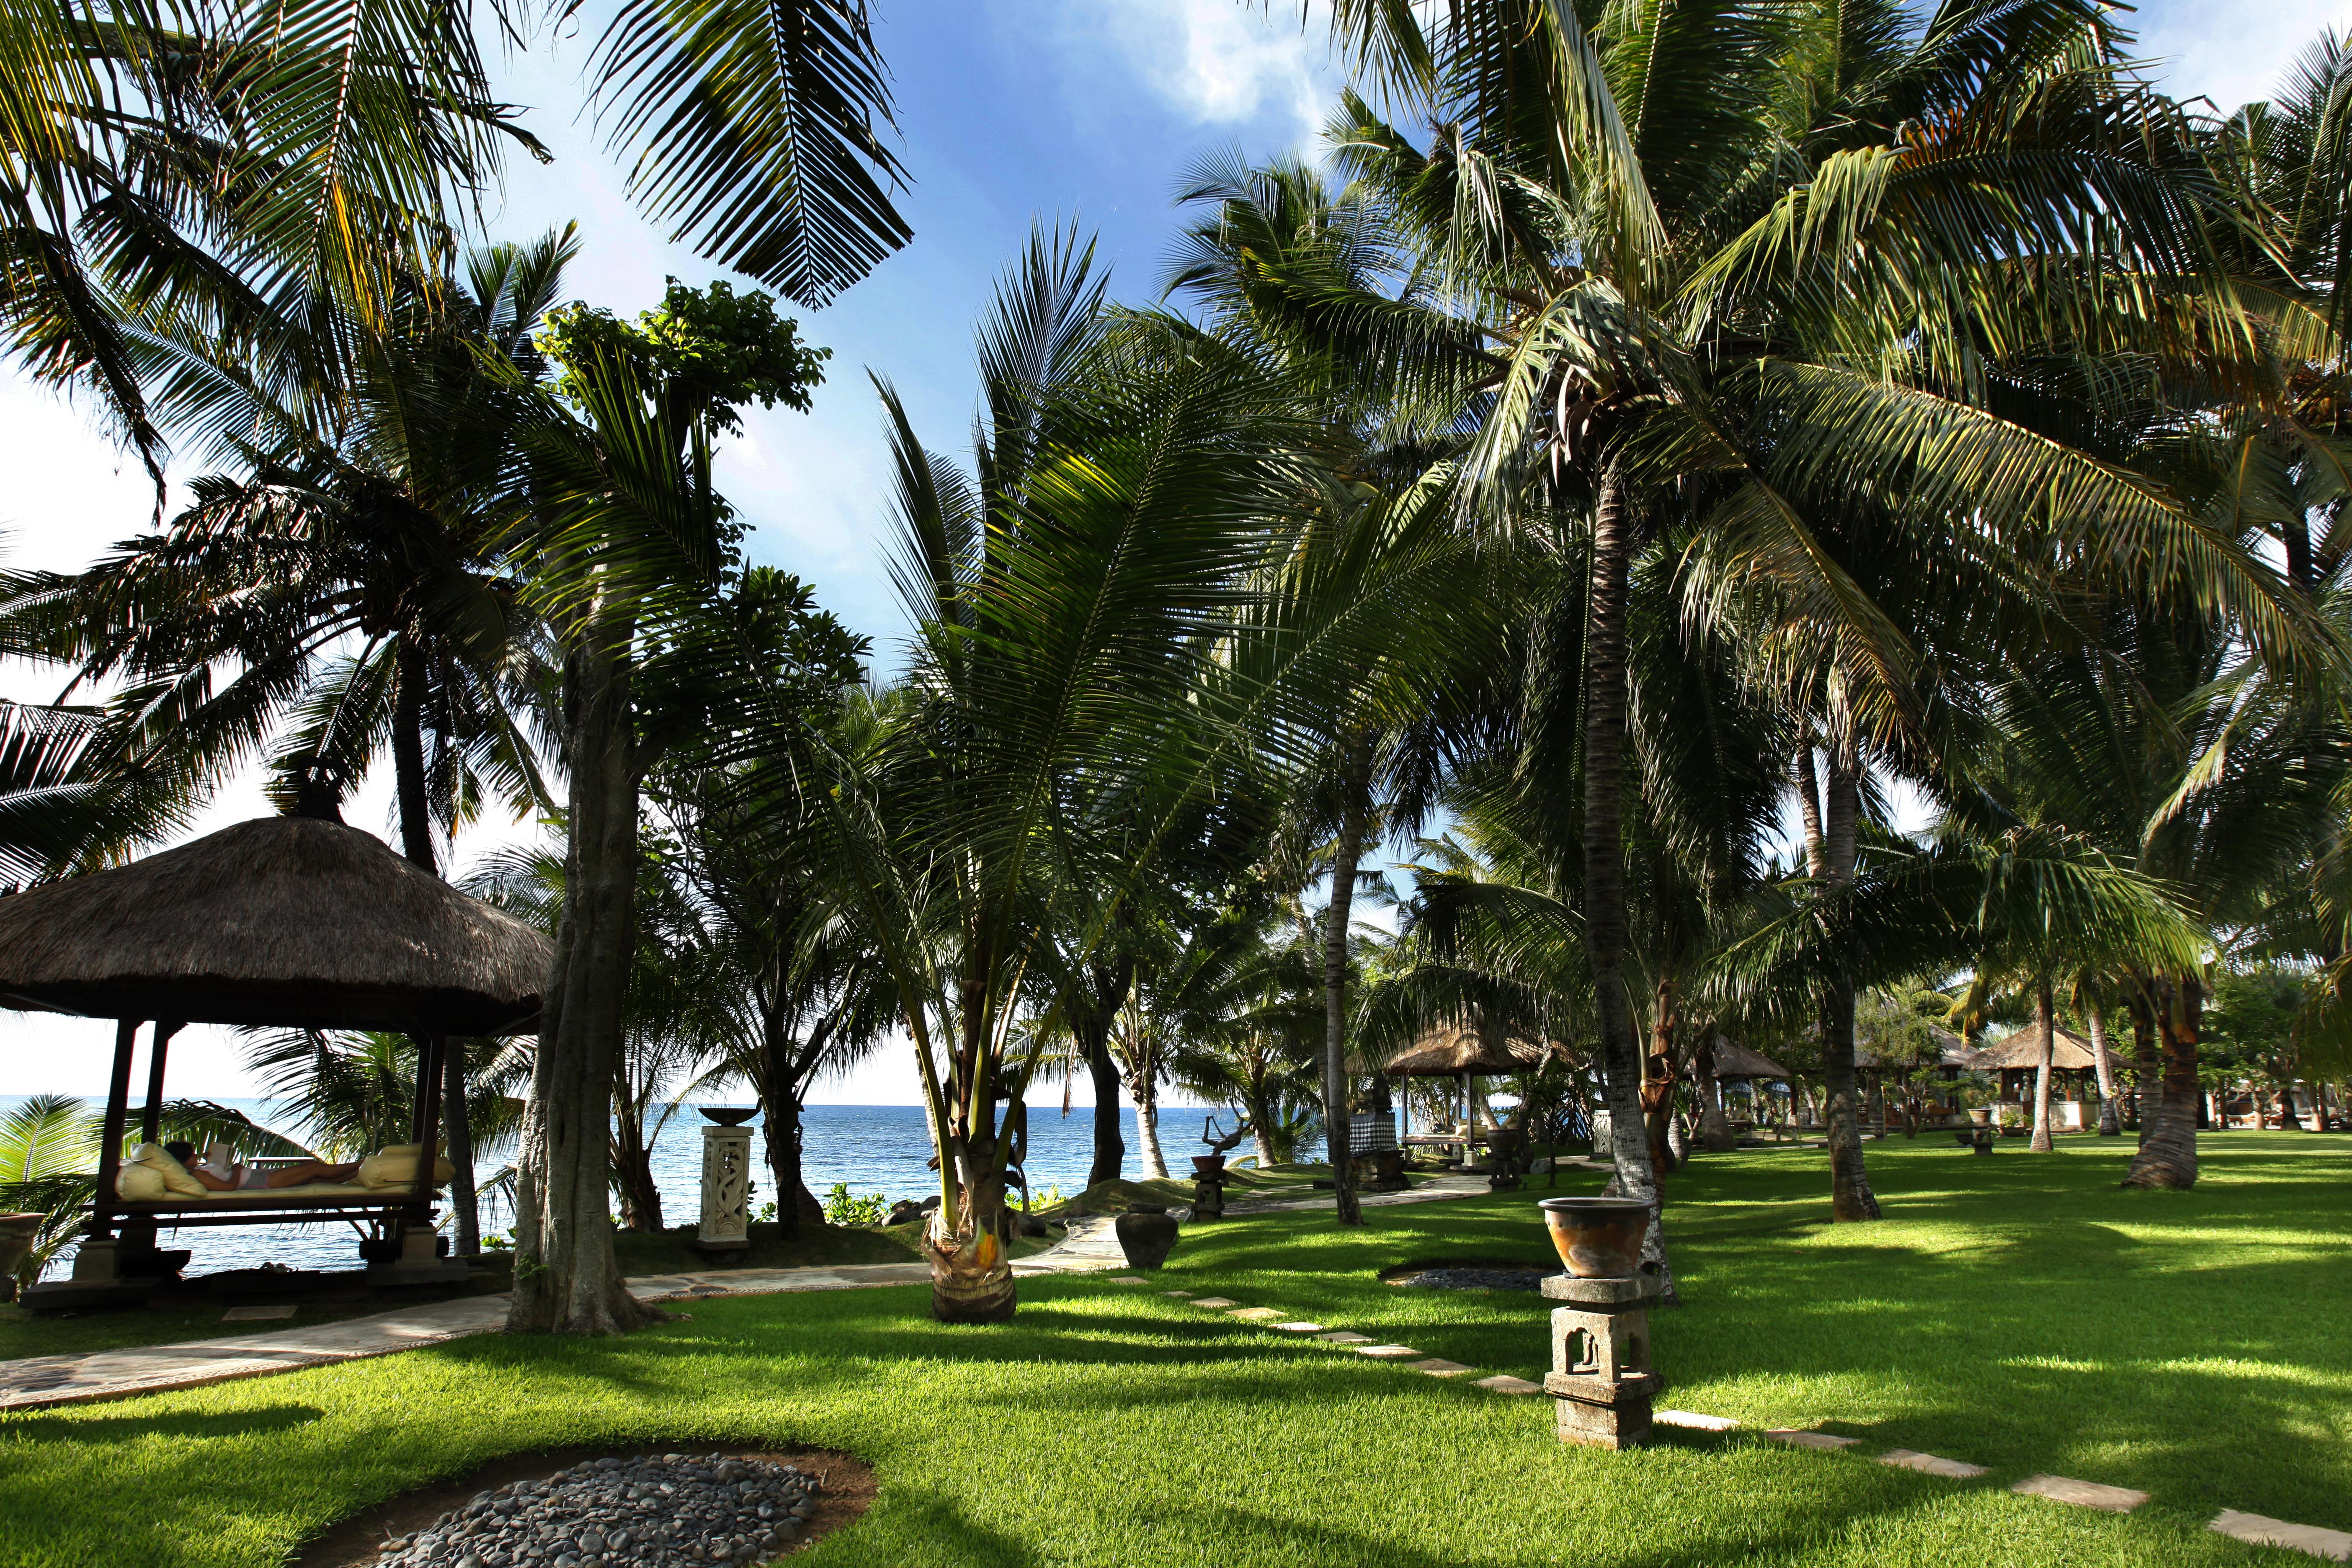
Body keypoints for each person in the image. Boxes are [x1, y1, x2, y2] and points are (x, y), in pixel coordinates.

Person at [186, 1142, 363, 1191]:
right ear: (185, 1159)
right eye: (193, 1155)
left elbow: (217, 1174)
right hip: (260, 1183)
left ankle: (360, 1171)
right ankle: (363, 1164)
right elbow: (229, 1187)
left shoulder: (198, 1170)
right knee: (314, 1168)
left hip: (260, 1177)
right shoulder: (197, 1175)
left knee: (316, 1178)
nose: (196, 1156)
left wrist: (209, 1161)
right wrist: (238, 1170)